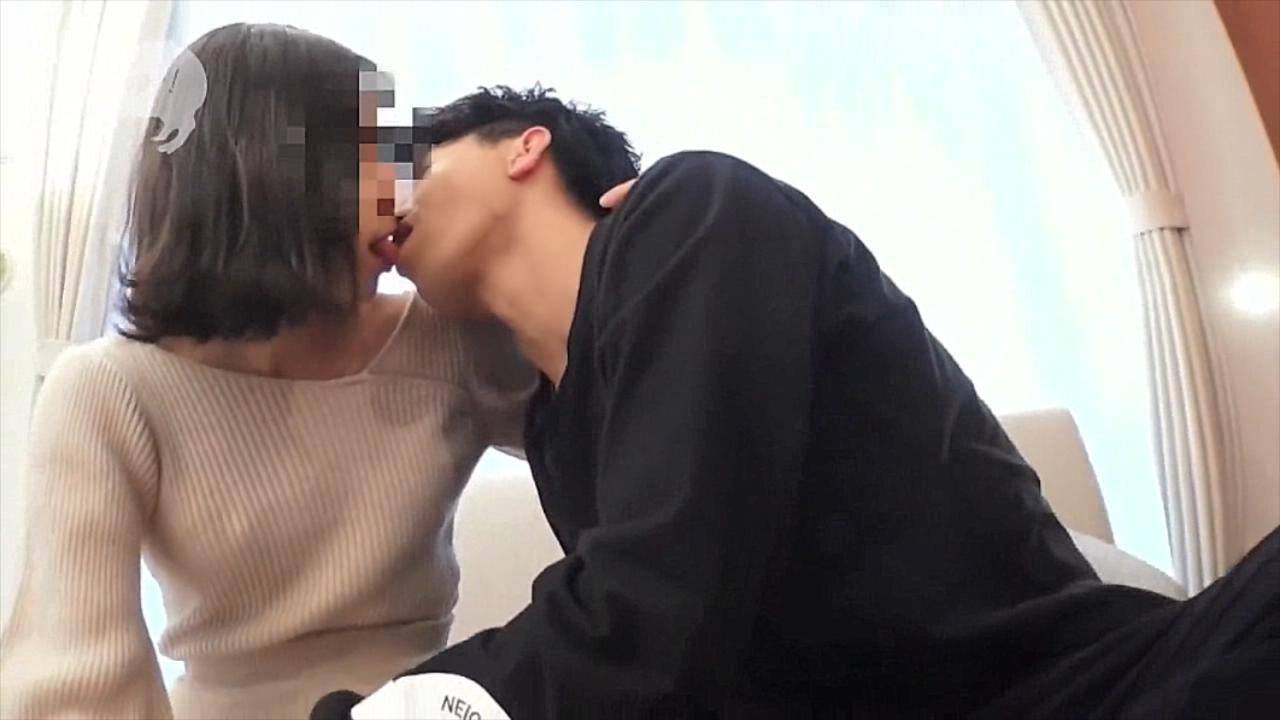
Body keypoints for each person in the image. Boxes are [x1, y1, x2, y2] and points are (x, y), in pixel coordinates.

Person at [315, 86, 1279, 719]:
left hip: (1088, 691)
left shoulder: (692, 210)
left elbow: (650, 611)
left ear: (526, 147)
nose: (386, 200)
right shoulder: (561, 436)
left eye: (417, 161)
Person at [0, 29, 634, 719]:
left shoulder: (448, 339)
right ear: (276, 171)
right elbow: (76, 688)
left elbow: (637, 453)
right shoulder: (106, 391)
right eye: (379, 156)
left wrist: (638, 253)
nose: (403, 195)